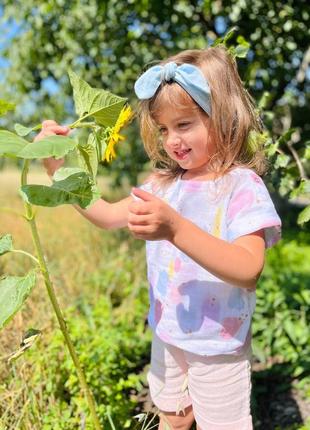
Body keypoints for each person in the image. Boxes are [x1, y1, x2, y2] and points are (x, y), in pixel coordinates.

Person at [39, 46, 281, 430]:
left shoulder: (240, 187)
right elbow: (105, 215)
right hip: (168, 330)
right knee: (173, 414)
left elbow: (249, 268)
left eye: (184, 125)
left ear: (223, 116)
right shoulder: (164, 185)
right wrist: (57, 168)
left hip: (218, 343)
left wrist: (176, 228)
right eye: (164, 128)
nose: (172, 140)